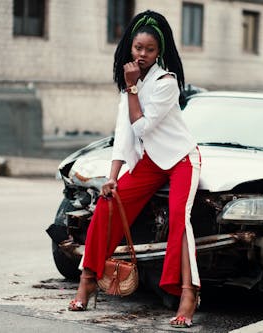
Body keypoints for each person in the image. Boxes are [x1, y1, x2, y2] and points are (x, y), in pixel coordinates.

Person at [68, 10, 202, 329]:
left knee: (179, 220)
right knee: (108, 204)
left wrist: (132, 89)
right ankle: (87, 282)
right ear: (130, 46)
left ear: (160, 52)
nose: (141, 55)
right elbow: (124, 135)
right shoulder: (128, 85)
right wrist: (112, 178)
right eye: (137, 47)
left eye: (149, 50)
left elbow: (141, 127)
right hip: (149, 163)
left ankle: (188, 294)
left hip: (181, 158)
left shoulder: (166, 83)